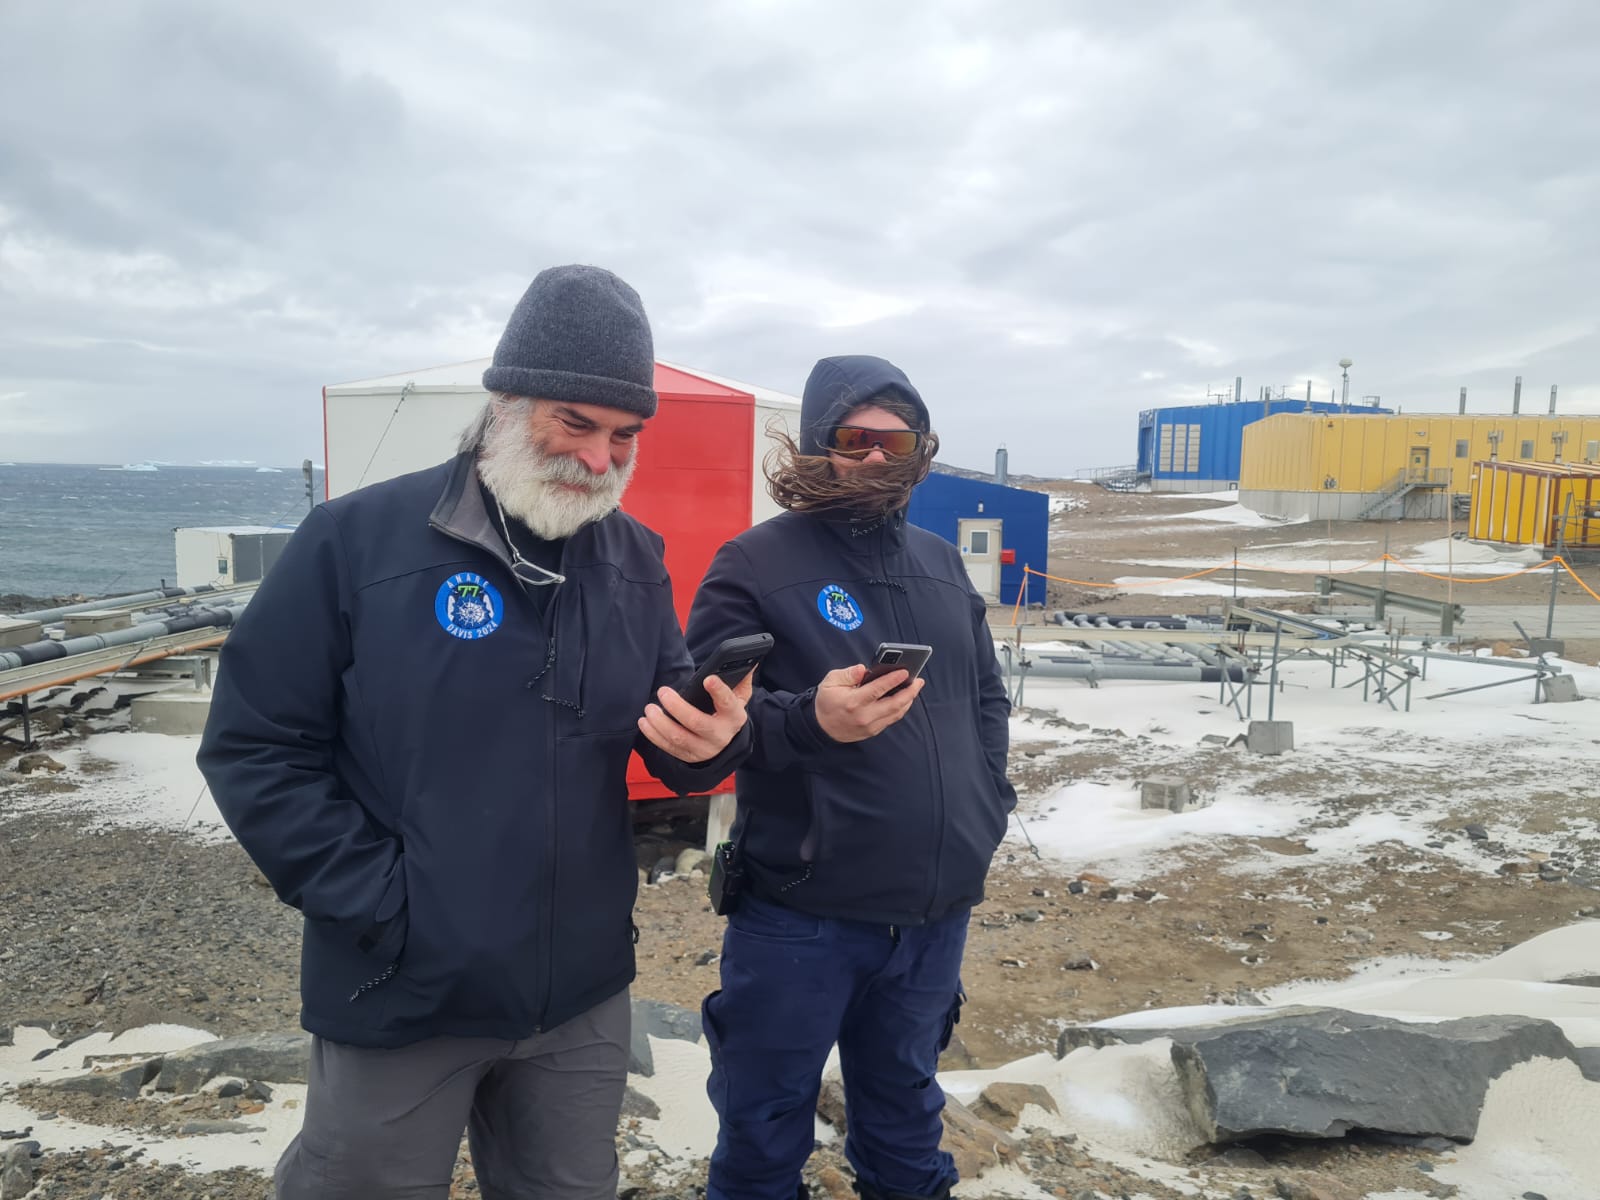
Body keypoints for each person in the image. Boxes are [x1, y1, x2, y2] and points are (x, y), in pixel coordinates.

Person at [197, 265, 752, 1200]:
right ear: (506, 403)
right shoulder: (354, 541)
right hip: (402, 983)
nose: (600, 459)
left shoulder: (635, 557)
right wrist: (386, 907)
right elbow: (255, 744)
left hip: (580, 991)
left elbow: (661, 727)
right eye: (575, 424)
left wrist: (710, 745)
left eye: (624, 435)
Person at [685, 355, 1017, 1200]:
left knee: (907, 1126)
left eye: (894, 442)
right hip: (802, 915)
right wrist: (810, 720)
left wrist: (988, 805)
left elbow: (985, 698)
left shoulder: (942, 564)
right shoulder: (753, 563)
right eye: (852, 438)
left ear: (919, 451)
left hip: (933, 916)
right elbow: (705, 723)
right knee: (763, 1133)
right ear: (815, 445)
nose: (875, 456)